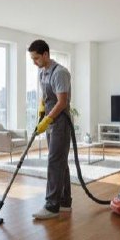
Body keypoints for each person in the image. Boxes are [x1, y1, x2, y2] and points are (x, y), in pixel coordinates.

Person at [29, 39, 72, 220]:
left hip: (60, 122)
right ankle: (64, 201)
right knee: (60, 160)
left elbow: (62, 102)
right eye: (32, 59)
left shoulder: (60, 72)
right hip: (50, 121)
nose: (34, 62)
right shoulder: (42, 72)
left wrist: (48, 119)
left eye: (36, 58)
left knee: (54, 161)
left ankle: (52, 206)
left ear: (46, 54)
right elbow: (46, 96)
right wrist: (41, 111)